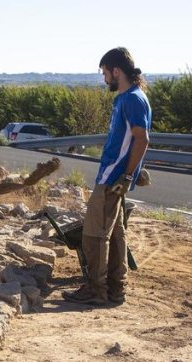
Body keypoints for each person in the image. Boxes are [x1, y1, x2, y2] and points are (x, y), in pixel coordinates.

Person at [63, 47, 152, 305]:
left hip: (113, 177)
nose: (104, 79)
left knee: (94, 234)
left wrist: (126, 175)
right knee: (115, 234)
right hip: (113, 175)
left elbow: (142, 138)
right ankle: (116, 289)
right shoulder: (126, 98)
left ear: (116, 71)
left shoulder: (133, 99)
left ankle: (97, 289)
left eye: (105, 73)